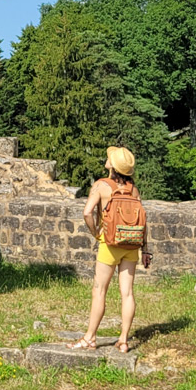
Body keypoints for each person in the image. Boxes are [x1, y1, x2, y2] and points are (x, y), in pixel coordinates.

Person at [70, 145, 151, 352]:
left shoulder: (101, 186)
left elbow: (88, 213)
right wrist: (145, 248)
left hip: (110, 244)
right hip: (131, 245)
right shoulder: (134, 189)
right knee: (127, 293)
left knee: (99, 290)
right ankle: (123, 340)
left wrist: (96, 233)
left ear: (112, 166)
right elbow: (143, 220)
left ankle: (89, 338)